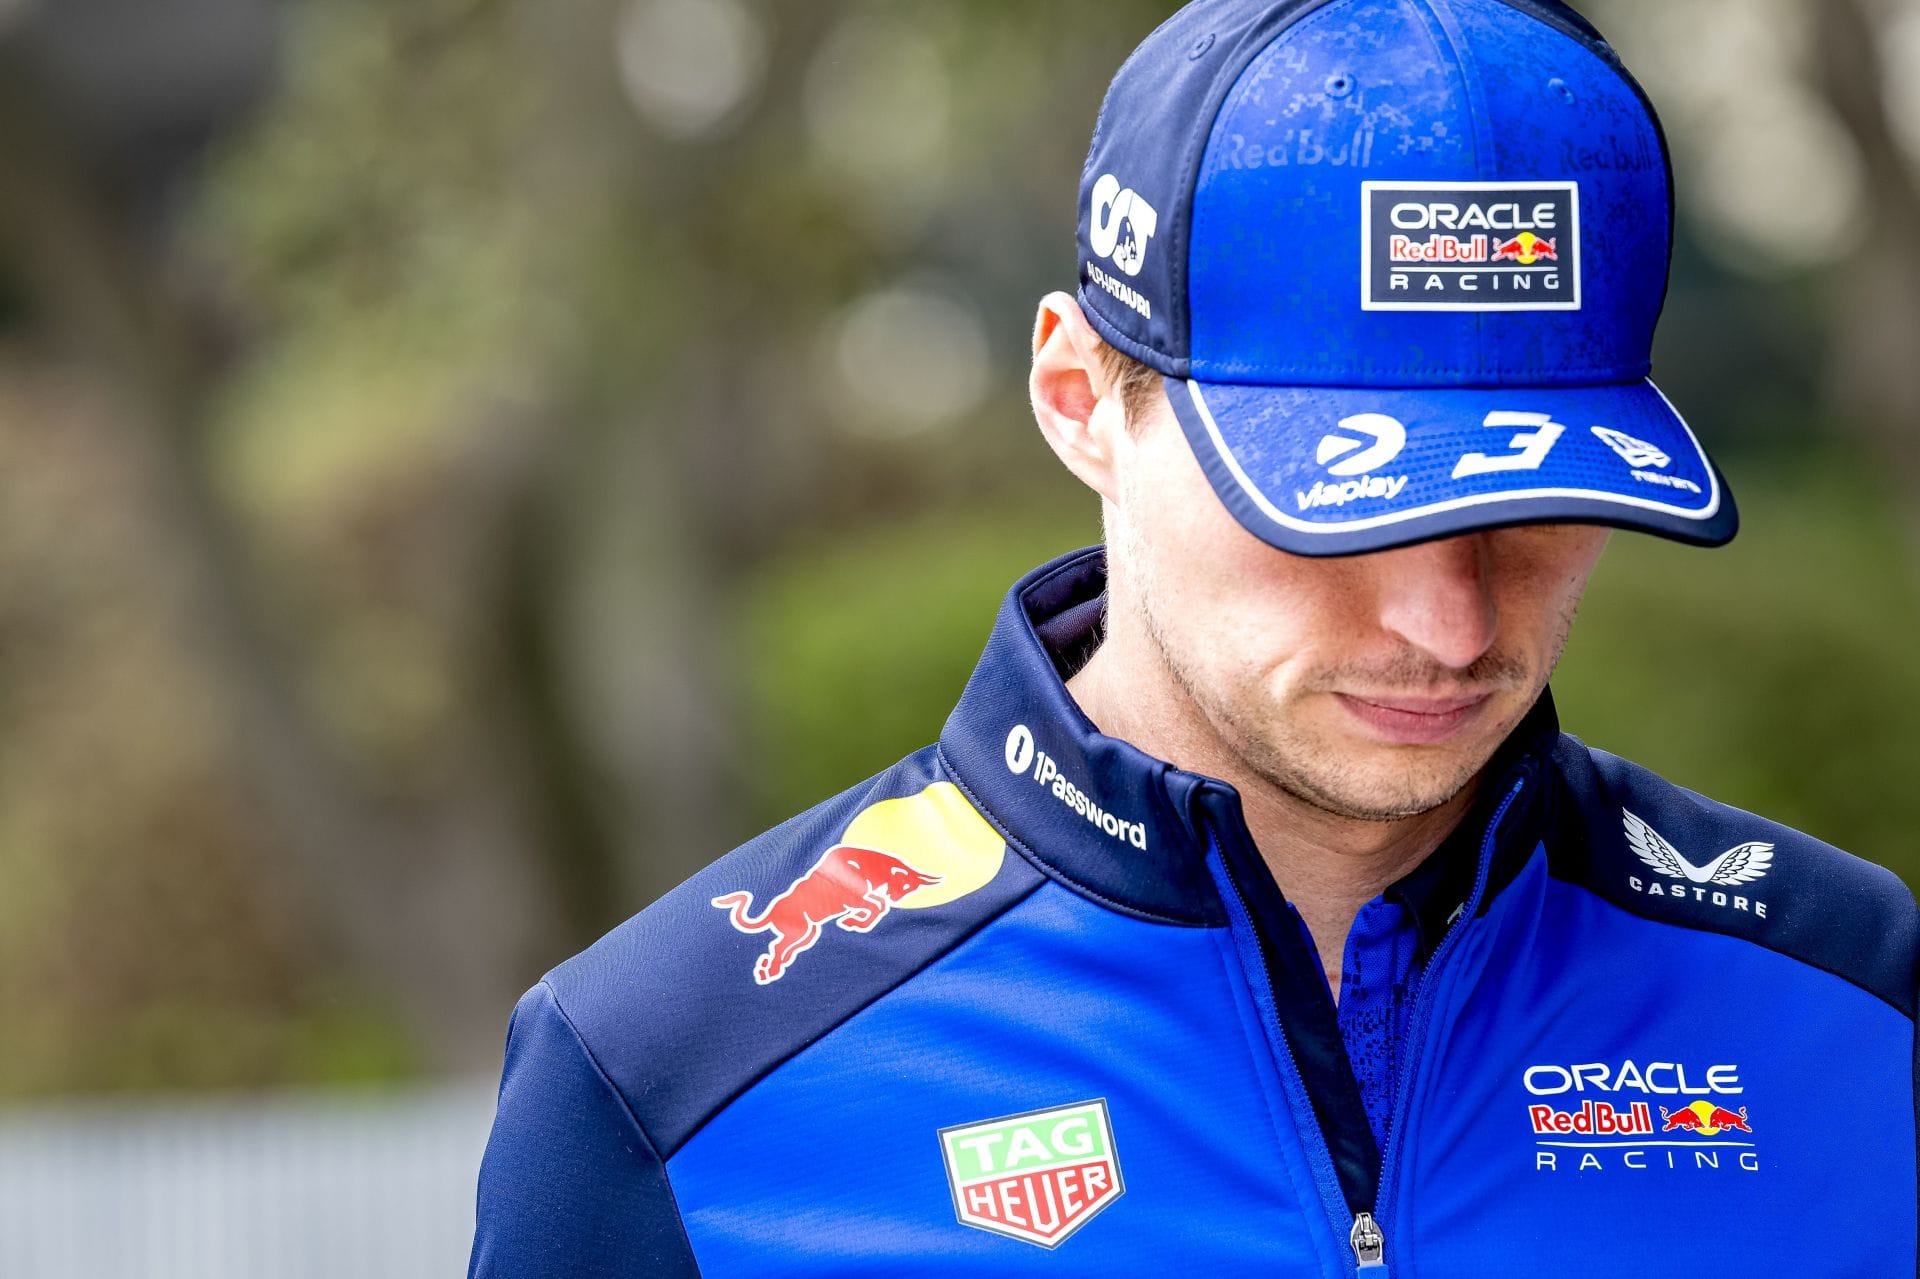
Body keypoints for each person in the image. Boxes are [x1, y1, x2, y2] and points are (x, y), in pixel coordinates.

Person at [468, 0, 1919, 1273]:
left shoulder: (1862, 1010)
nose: (1449, 621)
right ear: (1079, 397)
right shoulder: (671, 1085)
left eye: (1536, 502)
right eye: (1338, 500)